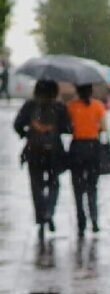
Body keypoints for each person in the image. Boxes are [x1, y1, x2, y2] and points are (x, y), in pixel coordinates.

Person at [13, 79, 70, 234]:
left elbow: (17, 124)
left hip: (34, 150)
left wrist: (27, 134)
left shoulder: (30, 105)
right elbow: (68, 128)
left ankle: (41, 215)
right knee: (54, 183)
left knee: (36, 184)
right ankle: (49, 211)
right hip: (54, 152)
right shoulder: (59, 107)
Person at [67, 84, 107, 236]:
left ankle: (81, 220)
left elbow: (68, 127)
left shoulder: (71, 106)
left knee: (77, 187)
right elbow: (104, 127)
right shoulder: (98, 106)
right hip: (93, 147)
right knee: (92, 186)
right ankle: (94, 218)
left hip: (77, 147)